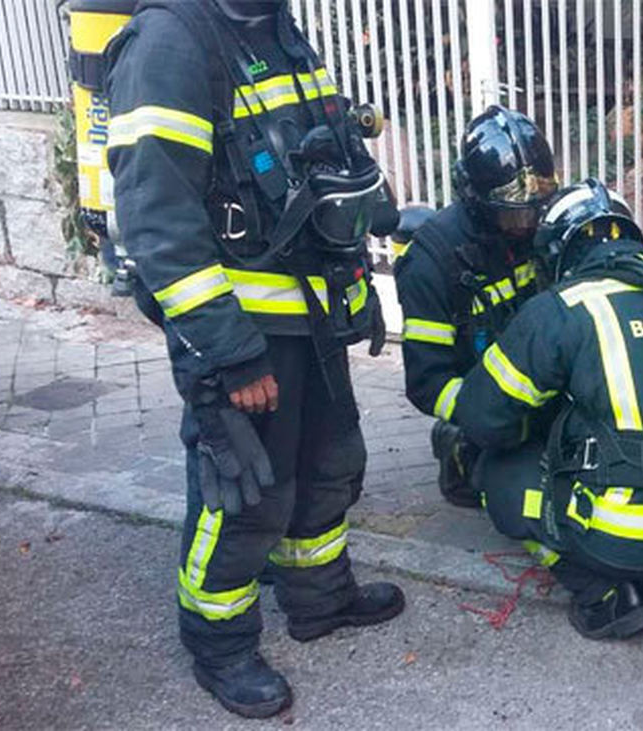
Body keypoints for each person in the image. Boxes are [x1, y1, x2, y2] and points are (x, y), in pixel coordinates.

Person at [106, 0, 404, 718]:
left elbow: (323, 158)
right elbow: (159, 221)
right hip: (243, 333)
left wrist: (360, 274)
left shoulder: (273, 25)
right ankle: (220, 641)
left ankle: (319, 597)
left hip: (314, 316)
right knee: (248, 495)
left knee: (329, 464)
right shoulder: (170, 42)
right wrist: (231, 353)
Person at [452, 180, 643, 675]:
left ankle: (607, 594)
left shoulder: (562, 308)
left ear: (559, 250)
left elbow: (484, 418)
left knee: (498, 474)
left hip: (617, 536)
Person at [393, 105, 557, 508]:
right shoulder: (432, 262)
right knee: (521, 497)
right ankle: (460, 446)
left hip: (543, 385)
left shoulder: (540, 227)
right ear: (474, 198)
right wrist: (487, 412)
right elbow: (427, 382)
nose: (528, 225)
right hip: (492, 403)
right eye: (513, 215)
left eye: (534, 209)